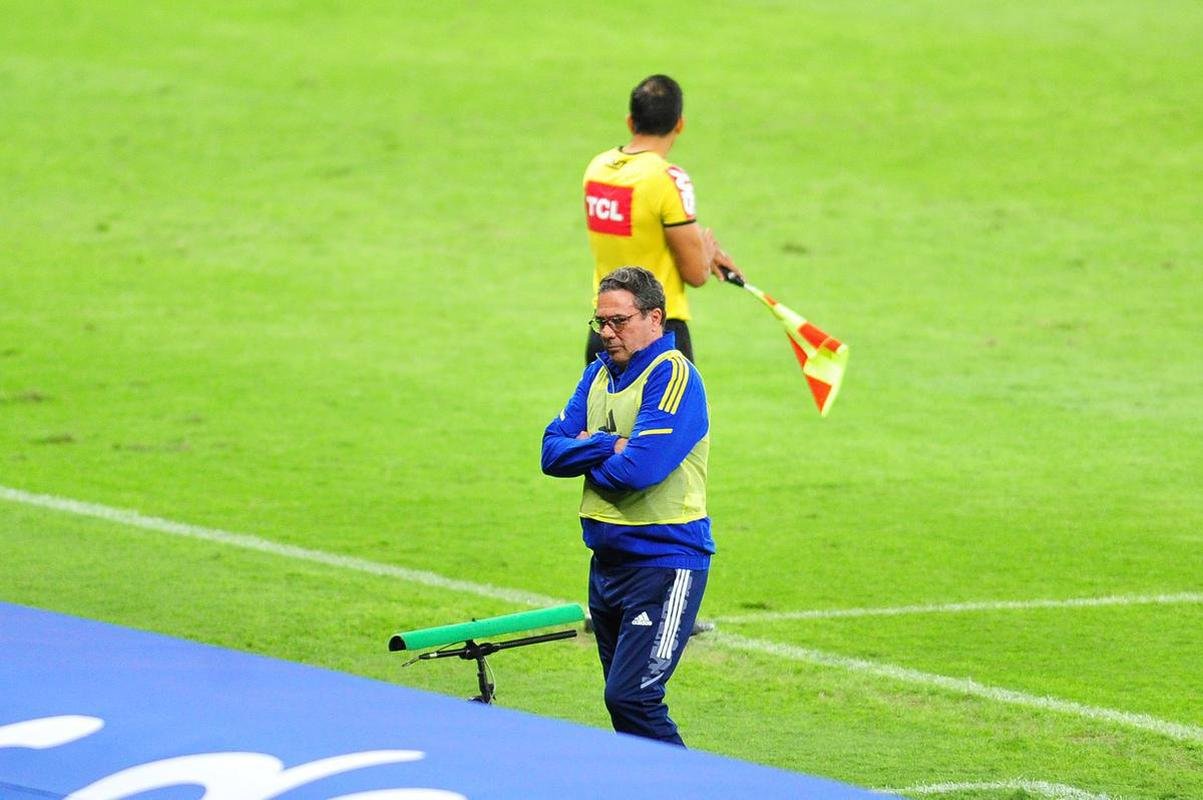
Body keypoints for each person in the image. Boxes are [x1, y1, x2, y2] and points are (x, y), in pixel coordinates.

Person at [541, 266, 713, 746]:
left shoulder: (673, 375)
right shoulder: (597, 373)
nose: (606, 334)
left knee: (633, 697)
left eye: (618, 321)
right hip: (608, 565)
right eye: (600, 322)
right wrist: (608, 444)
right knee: (622, 703)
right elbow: (550, 453)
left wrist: (589, 448)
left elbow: (640, 469)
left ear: (655, 318)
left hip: (662, 562)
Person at [582, 74, 743, 365]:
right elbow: (696, 274)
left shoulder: (597, 169)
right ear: (679, 124)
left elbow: (636, 234)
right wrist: (704, 250)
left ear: (631, 121)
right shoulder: (667, 178)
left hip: (604, 333)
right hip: (656, 334)